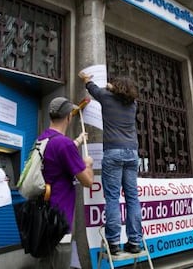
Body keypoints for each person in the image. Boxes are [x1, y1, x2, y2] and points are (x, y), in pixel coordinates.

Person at [78, 71, 143, 255]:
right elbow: (120, 94)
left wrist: (86, 78)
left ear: (115, 87)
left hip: (113, 151)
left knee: (113, 198)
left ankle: (113, 244)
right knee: (132, 198)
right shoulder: (133, 104)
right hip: (132, 152)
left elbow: (91, 87)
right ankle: (135, 242)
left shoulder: (106, 97)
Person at [37, 96, 94, 269]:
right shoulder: (64, 144)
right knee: (59, 261)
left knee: (46, 262)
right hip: (60, 218)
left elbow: (60, 155)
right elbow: (88, 181)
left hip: (44, 215)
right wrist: (88, 164)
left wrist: (77, 140)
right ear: (69, 116)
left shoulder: (43, 139)